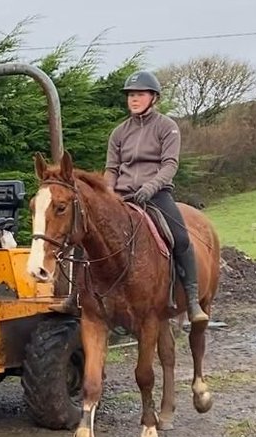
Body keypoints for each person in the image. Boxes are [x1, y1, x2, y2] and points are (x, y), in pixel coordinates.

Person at [56, 69, 208, 324]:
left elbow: (170, 164)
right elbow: (112, 169)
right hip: (122, 196)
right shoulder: (119, 132)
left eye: (140, 94)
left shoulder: (167, 127)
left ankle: (192, 301)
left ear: (154, 98)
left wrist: (150, 187)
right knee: (89, 233)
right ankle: (76, 296)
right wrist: (108, 194)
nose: (134, 99)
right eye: (131, 95)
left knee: (180, 238)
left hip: (156, 195)